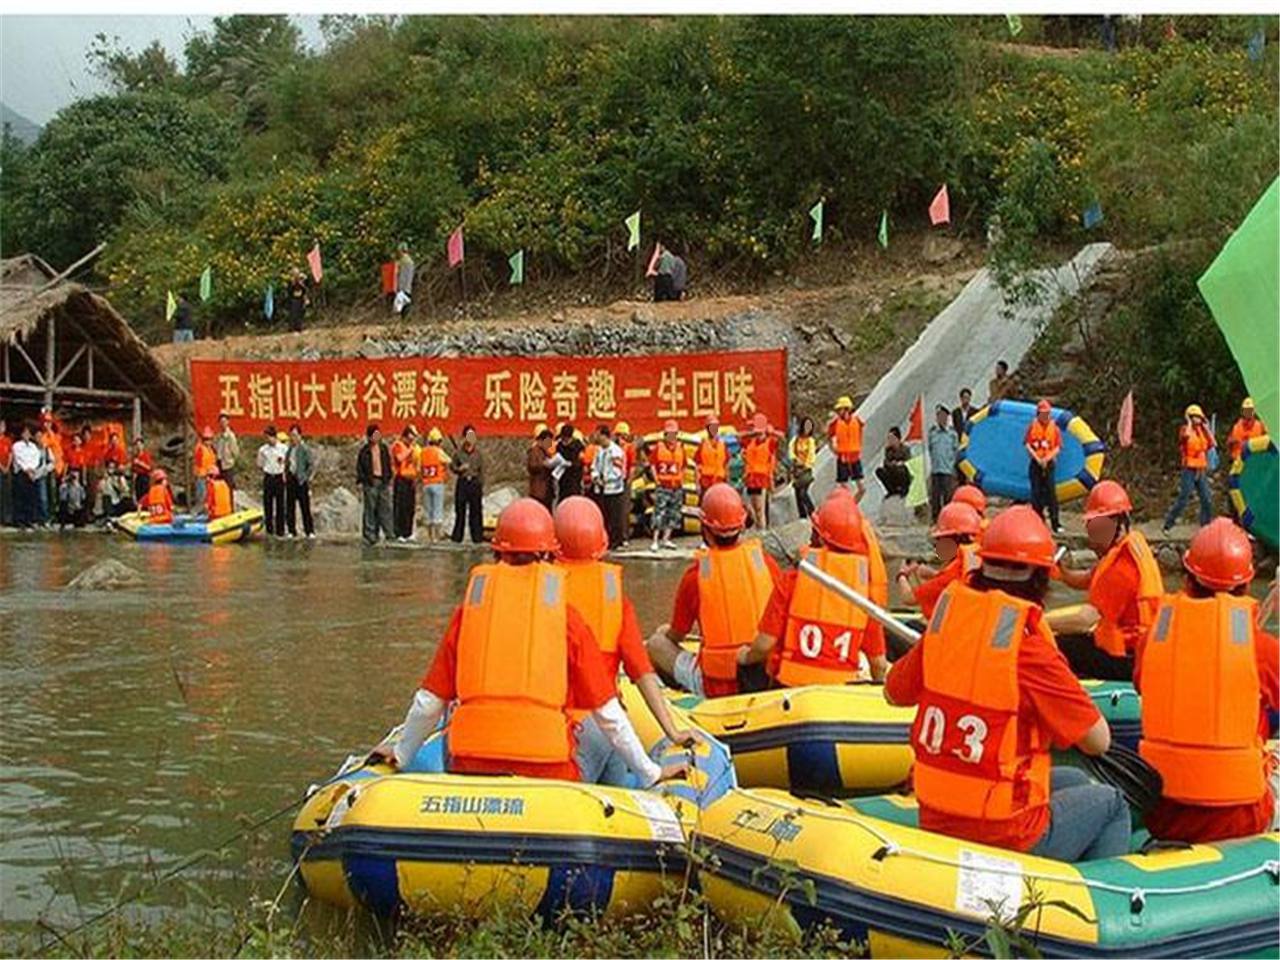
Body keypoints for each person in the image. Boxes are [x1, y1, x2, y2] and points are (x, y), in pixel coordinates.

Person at [369, 499, 676, 789]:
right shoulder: (567, 617)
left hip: (469, 764)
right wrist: (651, 773)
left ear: (496, 553)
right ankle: (620, 802)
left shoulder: (469, 612)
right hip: (548, 768)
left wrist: (402, 754)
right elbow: (608, 712)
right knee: (607, 729)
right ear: (547, 555)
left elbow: (429, 702)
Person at [884, 506, 1129, 861]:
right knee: (1112, 802)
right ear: (1041, 578)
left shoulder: (947, 624)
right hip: (1002, 831)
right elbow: (1098, 741)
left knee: (1070, 781)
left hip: (937, 813)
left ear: (982, 566)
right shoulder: (1029, 649)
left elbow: (893, 692)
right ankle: (1094, 900)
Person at [1135, 519, 1278, 844]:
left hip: (1163, 811)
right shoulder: (1262, 649)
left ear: (1187, 577)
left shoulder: (1153, 638)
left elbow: (1146, 688)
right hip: (1239, 817)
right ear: (1246, 585)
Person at [554, 497, 694, 784]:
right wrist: (672, 731)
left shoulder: (540, 595)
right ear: (602, 543)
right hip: (610, 727)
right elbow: (642, 672)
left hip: (565, 727)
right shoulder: (615, 598)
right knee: (624, 791)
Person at [646, 483, 784, 698]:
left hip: (718, 685)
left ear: (705, 527)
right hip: (765, 677)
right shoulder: (766, 562)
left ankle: (677, 694)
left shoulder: (696, 575)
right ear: (742, 524)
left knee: (656, 643)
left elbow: (677, 634)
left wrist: (665, 631)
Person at [741, 489, 890, 686]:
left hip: (789, 690)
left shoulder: (792, 580)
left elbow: (764, 645)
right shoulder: (864, 597)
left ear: (820, 537)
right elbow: (878, 665)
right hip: (840, 694)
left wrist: (743, 656)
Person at [1056, 480, 1162, 680]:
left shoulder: (1122, 568)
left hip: (1127, 657)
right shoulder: (1122, 551)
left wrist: (1039, 620)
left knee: (1057, 646)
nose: (1093, 535)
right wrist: (1061, 574)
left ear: (1119, 523)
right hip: (1132, 648)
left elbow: (1088, 618)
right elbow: (1088, 579)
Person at [896, 501, 983, 618]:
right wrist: (934, 574)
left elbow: (908, 598)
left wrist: (902, 574)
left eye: (939, 540)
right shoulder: (976, 560)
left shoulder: (948, 577)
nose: (937, 546)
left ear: (950, 540)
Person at [1162, 403, 1215, 534]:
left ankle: (1206, 527)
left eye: (1199, 417)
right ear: (1190, 418)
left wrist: (1206, 428)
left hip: (1200, 470)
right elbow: (1184, 437)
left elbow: (1213, 443)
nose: (1197, 420)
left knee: (1207, 498)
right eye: (1194, 417)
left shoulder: (1202, 432)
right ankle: (1168, 525)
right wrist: (1189, 423)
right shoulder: (1185, 430)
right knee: (1183, 498)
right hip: (1189, 470)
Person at [1025, 399, 1062, 534]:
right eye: (1042, 414)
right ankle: (1038, 522)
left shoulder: (1055, 429)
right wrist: (1037, 458)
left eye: (1047, 413)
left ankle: (1055, 523)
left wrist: (1047, 458)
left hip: (1049, 463)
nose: (1045, 416)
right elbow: (1027, 444)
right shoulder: (1032, 427)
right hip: (1036, 463)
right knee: (1036, 494)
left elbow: (1058, 447)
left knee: (1052, 494)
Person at [649, 420, 686, 551]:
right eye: (669, 434)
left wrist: (681, 478)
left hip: (676, 485)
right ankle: (655, 540)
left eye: (674, 434)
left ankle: (666, 539)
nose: (671, 437)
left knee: (674, 513)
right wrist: (656, 480)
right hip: (663, 485)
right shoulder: (658, 448)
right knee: (659, 512)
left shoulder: (681, 448)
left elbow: (684, 466)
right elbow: (652, 464)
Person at [742, 413, 783, 531]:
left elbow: (781, 437)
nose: (758, 435)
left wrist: (771, 431)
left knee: (760, 509)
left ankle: (762, 532)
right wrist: (752, 433)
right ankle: (759, 528)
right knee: (752, 508)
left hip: (762, 478)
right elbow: (737, 436)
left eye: (760, 432)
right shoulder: (750, 442)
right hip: (750, 478)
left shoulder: (770, 442)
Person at [357, 423, 394, 545]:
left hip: (383, 481)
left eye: (378, 434)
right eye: (374, 434)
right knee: (370, 509)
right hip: (371, 482)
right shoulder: (364, 451)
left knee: (385, 508)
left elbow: (388, 464)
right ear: (369, 436)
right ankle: (370, 535)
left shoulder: (383, 448)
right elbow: (360, 468)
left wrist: (388, 478)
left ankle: (389, 533)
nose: (377, 437)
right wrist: (364, 480)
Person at [592, 424, 628, 550]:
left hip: (613, 488)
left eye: (597, 434)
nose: (595, 436)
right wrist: (596, 477)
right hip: (601, 488)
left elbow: (619, 471)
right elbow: (594, 466)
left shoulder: (616, 451)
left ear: (603, 435)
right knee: (604, 515)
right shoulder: (599, 451)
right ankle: (606, 539)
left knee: (615, 516)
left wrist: (606, 480)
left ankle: (616, 541)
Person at [449, 425, 485, 544]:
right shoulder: (458, 453)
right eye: (469, 435)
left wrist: (480, 484)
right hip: (463, 483)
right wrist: (460, 469)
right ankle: (457, 537)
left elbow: (482, 471)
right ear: (464, 437)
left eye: (473, 435)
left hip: (474, 483)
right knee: (460, 511)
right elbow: (452, 466)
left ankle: (477, 537)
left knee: (476, 512)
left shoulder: (478, 454)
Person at [827, 395, 866, 501]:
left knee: (862, 488)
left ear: (847, 409)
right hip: (842, 458)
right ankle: (846, 509)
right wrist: (833, 449)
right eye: (838, 410)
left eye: (841, 409)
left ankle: (852, 506)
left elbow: (862, 430)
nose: (839, 412)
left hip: (855, 457)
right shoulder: (835, 424)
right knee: (843, 489)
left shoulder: (857, 420)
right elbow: (829, 437)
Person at [927, 404, 958, 522]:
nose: (941, 419)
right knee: (935, 497)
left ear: (947, 418)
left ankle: (948, 519)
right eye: (939, 416)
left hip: (947, 470)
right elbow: (930, 449)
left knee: (948, 496)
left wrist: (952, 465)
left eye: (943, 416)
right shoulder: (932, 433)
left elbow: (955, 450)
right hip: (936, 469)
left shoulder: (952, 434)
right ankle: (935, 520)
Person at [419, 427, 449, 543]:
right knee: (437, 510)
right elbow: (448, 461)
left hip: (426, 483)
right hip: (437, 483)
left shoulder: (423, 452)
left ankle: (430, 537)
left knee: (428, 510)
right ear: (439, 441)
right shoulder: (438, 451)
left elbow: (419, 465)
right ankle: (436, 537)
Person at [257, 426, 287, 537]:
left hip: (279, 477)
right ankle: (269, 530)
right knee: (267, 504)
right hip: (268, 477)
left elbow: (287, 463)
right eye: (266, 437)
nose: (267, 440)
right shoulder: (263, 450)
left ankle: (280, 531)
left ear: (274, 436)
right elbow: (259, 464)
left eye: (269, 437)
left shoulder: (283, 448)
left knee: (280, 505)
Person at [285, 424, 315, 538]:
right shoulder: (289, 449)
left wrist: (306, 476)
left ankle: (309, 531)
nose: (293, 437)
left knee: (305, 507)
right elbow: (287, 463)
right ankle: (291, 530)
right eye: (291, 435)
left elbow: (310, 465)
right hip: (291, 479)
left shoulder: (304, 449)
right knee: (290, 506)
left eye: (295, 435)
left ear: (300, 435)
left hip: (301, 480)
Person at [391, 425, 419, 541]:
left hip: (411, 479)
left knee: (410, 507)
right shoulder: (398, 445)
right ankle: (399, 533)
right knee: (400, 507)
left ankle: (408, 532)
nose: (412, 440)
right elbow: (399, 458)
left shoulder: (413, 447)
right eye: (410, 437)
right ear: (405, 436)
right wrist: (410, 451)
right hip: (401, 479)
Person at [11, 423, 41, 529]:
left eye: (28, 433)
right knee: (20, 497)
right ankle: (20, 520)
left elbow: (36, 458)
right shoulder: (16, 445)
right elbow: (18, 459)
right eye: (25, 433)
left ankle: (30, 519)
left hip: (32, 473)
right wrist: (26, 469)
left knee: (31, 497)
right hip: (21, 474)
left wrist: (32, 469)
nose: (27, 435)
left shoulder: (33, 446)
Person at [789, 416, 818, 519]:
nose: (808, 428)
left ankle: (812, 511)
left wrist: (805, 465)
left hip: (806, 470)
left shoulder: (810, 441)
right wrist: (795, 460)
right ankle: (802, 515)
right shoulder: (796, 440)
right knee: (797, 492)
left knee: (803, 493)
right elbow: (791, 451)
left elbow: (811, 455)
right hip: (797, 469)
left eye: (809, 426)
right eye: (806, 425)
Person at [694, 416, 730, 494]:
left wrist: (728, 482)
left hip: (720, 482)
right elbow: (697, 466)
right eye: (711, 427)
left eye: (715, 427)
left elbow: (726, 465)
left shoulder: (723, 445)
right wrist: (697, 484)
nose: (714, 429)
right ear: (707, 429)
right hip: (706, 483)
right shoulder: (703, 445)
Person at [875, 426, 913, 499]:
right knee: (880, 471)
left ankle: (904, 489)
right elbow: (886, 462)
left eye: (892, 438)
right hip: (893, 472)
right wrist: (893, 464)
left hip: (902, 474)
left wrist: (899, 463)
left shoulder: (905, 449)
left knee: (901, 470)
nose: (890, 440)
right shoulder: (888, 450)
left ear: (897, 438)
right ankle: (891, 490)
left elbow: (908, 462)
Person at [1227, 397, 1267, 461]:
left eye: (1250, 410)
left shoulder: (1261, 426)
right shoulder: (1236, 427)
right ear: (1242, 411)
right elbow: (1230, 445)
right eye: (1246, 410)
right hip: (1239, 462)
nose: (1248, 412)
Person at [527, 425, 556, 510]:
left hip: (547, 489)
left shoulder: (546, 452)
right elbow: (532, 466)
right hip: (539, 489)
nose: (550, 444)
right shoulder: (535, 451)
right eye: (549, 441)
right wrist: (544, 464)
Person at [555, 423, 586, 501]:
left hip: (574, 480)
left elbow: (581, 462)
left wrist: (571, 464)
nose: (564, 440)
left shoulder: (578, 446)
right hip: (562, 479)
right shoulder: (559, 446)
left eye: (566, 438)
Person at [193, 427, 218, 513]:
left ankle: (205, 512)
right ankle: (196, 514)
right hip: (202, 476)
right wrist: (206, 473)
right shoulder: (200, 448)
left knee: (208, 497)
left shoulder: (210, 449)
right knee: (201, 497)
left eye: (210, 439)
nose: (209, 441)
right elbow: (200, 464)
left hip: (208, 476)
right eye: (206, 439)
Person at [213, 413, 240, 490]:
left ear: (228, 422)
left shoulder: (230, 436)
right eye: (221, 422)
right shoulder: (219, 435)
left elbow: (235, 451)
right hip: (219, 463)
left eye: (224, 421)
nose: (222, 424)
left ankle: (230, 502)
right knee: (220, 487)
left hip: (227, 464)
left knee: (228, 486)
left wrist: (230, 459)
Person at [285, 268, 309, 333]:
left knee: (301, 313)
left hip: (300, 298)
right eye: (295, 273)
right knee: (293, 314)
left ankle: (299, 328)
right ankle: (292, 329)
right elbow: (289, 290)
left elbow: (305, 289)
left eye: (297, 273)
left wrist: (306, 298)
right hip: (293, 299)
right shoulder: (290, 281)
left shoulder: (301, 281)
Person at [130, 436, 153, 504]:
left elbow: (149, 468)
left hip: (144, 477)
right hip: (138, 477)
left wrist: (140, 463)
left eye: (139, 444)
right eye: (136, 445)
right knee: (138, 494)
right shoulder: (135, 456)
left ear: (142, 445)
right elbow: (133, 469)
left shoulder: (146, 455)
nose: (138, 446)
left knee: (144, 494)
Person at [0, 418, 12, 526]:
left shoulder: (7, 440)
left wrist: (7, 467)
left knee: (6, 494)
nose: (1, 428)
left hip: (6, 470)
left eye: (3, 426)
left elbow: (10, 454)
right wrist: (1, 467)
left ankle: (6, 518)